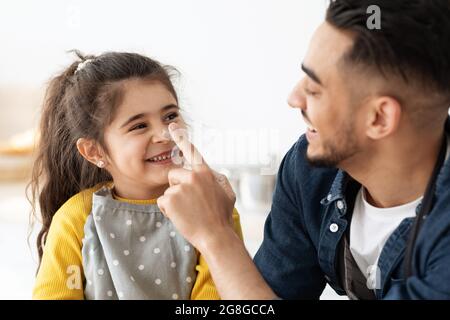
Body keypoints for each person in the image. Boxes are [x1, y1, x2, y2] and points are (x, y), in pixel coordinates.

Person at [157, 0, 450, 299]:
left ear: (379, 117)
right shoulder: (310, 169)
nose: (294, 98)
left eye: (314, 89)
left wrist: (215, 236)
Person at [30, 51, 243, 300]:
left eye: (171, 116)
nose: (165, 134)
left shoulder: (212, 206)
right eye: (139, 126)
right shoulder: (75, 219)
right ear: (94, 150)